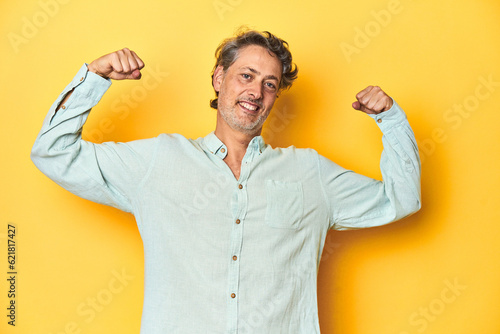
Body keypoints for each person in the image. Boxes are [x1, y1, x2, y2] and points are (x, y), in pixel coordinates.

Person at [31, 29, 421, 333]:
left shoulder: (310, 173)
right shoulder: (158, 162)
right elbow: (52, 152)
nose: (256, 91)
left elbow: (401, 199)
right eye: (246, 76)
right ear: (219, 79)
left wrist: (392, 120)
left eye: (270, 83)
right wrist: (94, 78)